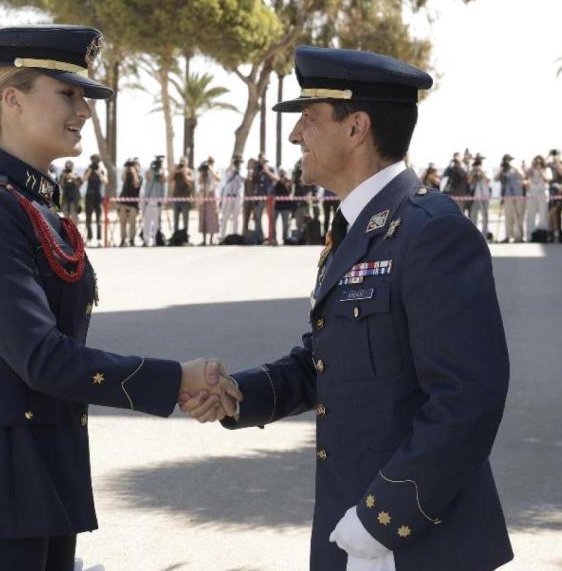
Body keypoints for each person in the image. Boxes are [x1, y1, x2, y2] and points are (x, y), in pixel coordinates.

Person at [0, 25, 242, 571]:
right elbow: (40, 356)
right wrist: (175, 378)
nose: (84, 110)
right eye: (67, 93)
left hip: (42, 467)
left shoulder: (31, 203)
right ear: (12, 99)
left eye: (83, 95)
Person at [183, 44, 512, 571]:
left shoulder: (431, 232)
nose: (295, 136)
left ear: (356, 127)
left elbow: (468, 396)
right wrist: (239, 395)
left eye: (308, 120)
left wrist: (381, 520)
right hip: (354, 526)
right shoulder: (359, 227)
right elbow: (328, 360)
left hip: (412, 540)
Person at [141, 155, 167, 246]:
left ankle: (155, 240)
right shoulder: (150, 172)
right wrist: (152, 167)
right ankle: (146, 240)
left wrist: (161, 169)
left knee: (156, 222)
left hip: (157, 200)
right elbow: (147, 176)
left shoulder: (162, 172)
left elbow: (164, 180)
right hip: (148, 200)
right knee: (147, 221)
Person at [497, 155, 523, 243]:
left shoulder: (516, 168)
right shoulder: (503, 169)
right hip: (506, 195)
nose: (507, 162)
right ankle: (508, 236)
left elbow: (522, 176)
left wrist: (512, 166)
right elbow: (496, 178)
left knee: (518, 216)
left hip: (517, 194)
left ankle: (518, 236)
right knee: (508, 216)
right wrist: (502, 169)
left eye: (508, 160)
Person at [81, 153, 106, 244]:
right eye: (93, 160)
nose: (95, 162)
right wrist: (90, 170)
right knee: (88, 218)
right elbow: (83, 180)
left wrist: (99, 173)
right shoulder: (88, 169)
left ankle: (99, 239)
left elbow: (105, 182)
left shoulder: (101, 170)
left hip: (98, 197)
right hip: (89, 196)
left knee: (99, 219)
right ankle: (89, 238)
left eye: (96, 160)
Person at [524, 155, 550, 238]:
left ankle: (542, 232)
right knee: (530, 214)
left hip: (542, 193)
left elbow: (547, 179)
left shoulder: (546, 170)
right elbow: (525, 177)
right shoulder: (531, 170)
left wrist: (540, 170)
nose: (537, 164)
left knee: (543, 214)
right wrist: (531, 168)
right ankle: (530, 234)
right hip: (532, 194)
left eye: (539, 162)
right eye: (535, 162)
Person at [218, 155, 244, 239]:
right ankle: (222, 236)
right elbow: (227, 175)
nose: (237, 163)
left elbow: (244, 180)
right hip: (228, 196)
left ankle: (235, 234)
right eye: (236, 161)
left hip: (237, 196)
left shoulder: (241, 171)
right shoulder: (229, 170)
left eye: (238, 161)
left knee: (236, 217)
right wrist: (232, 164)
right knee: (225, 216)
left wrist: (238, 172)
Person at [116, 158, 140, 246]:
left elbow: (136, 184)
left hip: (133, 204)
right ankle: (123, 240)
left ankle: (132, 239)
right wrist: (126, 168)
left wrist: (134, 173)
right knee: (122, 223)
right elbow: (122, 178)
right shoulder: (127, 175)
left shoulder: (139, 176)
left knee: (132, 223)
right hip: (123, 202)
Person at [197, 158, 219, 245]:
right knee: (203, 216)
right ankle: (204, 239)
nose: (209, 164)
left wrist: (211, 170)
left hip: (211, 194)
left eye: (210, 162)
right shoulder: (203, 172)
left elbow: (218, 179)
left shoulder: (215, 170)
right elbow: (200, 182)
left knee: (212, 217)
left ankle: (211, 239)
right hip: (203, 194)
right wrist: (202, 173)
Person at [469, 156, 491, 237]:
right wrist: (473, 172)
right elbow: (469, 181)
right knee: (473, 216)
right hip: (475, 196)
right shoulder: (473, 171)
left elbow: (488, 180)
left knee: (485, 216)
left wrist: (481, 171)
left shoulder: (487, 168)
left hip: (484, 195)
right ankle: (473, 234)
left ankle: (485, 234)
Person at [171, 156, 194, 235]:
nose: (182, 164)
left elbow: (190, 183)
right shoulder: (177, 172)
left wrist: (184, 174)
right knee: (175, 219)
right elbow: (170, 180)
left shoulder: (189, 172)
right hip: (176, 198)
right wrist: (174, 170)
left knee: (185, 219)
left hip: (185, 199)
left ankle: (185, 235)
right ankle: (175, 235)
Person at [273, 167, 295, 244]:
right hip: (277, 207)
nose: (282, 175)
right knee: (273, 223)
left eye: (283, 173)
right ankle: (274, 238)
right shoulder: (276, 182)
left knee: (285, 224)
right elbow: (273, 192)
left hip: (286, 207)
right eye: (281, 173)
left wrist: (286, 184)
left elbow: (290, 192)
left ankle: (285, 238)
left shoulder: (288, 182)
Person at [59, 160, 82, 224]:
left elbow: (79, 184)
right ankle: (67, 231)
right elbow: (60, 185)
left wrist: (73, 177)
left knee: (74, 215)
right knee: (65, 215)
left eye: (70, 166)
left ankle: (75, 231)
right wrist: (64, 176)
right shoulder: (63, 174)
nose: (69, 168)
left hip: (74, 199)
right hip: (66, 198)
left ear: (73, 167)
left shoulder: (76, 174)